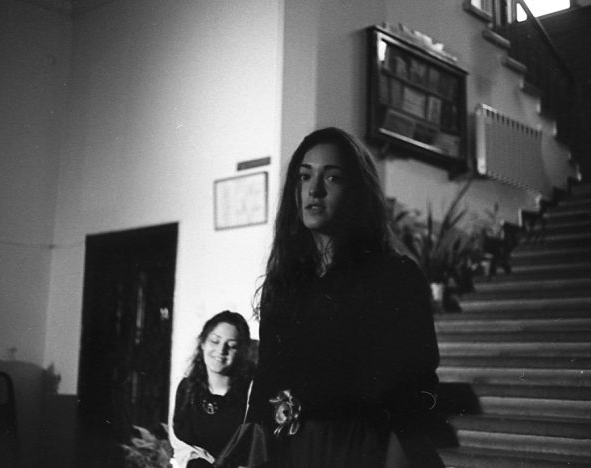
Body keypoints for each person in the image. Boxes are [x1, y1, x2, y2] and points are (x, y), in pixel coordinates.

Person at [245, 127, 444, 467]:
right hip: (289, 451)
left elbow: (415, 389)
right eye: (304, 177)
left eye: (332, 177)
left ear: (356, 191)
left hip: (362, 449)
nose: (314, 190)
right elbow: (266, 381)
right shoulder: (283, 284)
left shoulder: (395, 276)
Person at [172, 311, 254, 468]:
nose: (221, 350)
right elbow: (179, 445)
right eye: (215, 341)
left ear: (242, 352)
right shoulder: (185, 389)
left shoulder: (250, 394)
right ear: (203, 343)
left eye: (231, 346)